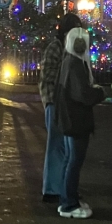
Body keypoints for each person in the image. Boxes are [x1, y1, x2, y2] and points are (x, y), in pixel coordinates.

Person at [54, 27, 105, 219]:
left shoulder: (68, 61)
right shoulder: (76, 64)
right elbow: (83, 95)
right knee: (74, 162)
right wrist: (99, 92)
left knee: (69, 160)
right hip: (76, 121)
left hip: (68, 120)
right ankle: (69, 204)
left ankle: (68, 197)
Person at [40, 13, 82, 202]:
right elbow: (48, 75)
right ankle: (51, 188)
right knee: (56, 144)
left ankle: (62, 186)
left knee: (66, 147)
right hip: (55, 101)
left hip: (67, 102)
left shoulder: (71, 48)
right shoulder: (55, 48)